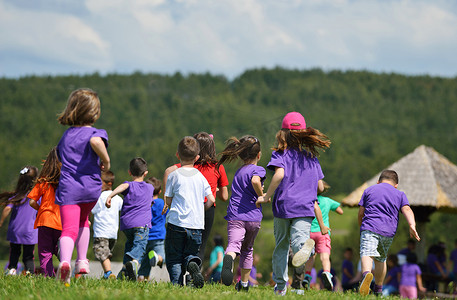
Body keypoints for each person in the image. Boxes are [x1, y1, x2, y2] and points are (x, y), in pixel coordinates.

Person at [257, 111, 330, 296]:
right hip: (305, 207)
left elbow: (279, 174)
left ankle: (281, 286)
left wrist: (266, 196)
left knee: (281, 245)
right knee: (299, 242)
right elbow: (320, 187)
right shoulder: (311, 157)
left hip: (283, 206)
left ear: (283, 133)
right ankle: (302, 252)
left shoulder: (281, 154)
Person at [55, 88, 110, 285]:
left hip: (69, 189)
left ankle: (64, 262)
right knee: (84, 221)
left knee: (68, 229)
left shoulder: (66, 136)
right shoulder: (97, 132)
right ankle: (82, 262)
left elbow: (60, 156)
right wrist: (106, 160)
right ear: (95, 112)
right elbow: (95, 141)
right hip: (91, 189)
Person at [163, 132, 229, 261]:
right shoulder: (218, 167)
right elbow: (224, 196)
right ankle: (194, 273)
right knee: (201, 245)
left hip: (186, 206)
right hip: (207, 208)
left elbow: (168, 171)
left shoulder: (189, 165)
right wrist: (214, 188)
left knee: (181, 245)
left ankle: (180, 272)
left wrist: (167, 199)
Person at [358, 169, 420, 296]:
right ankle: (378, 289)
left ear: (378, 181)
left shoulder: (369, 190)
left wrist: (362, 227)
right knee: (381, 259)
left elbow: (361, 213)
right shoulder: (400, 194)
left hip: (370, 227)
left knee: (367, 253)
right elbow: (407, 209)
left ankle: (366, 275)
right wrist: (412, 225)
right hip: (388, 232)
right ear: (396, 185)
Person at [164, 136, 215, 288]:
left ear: (177, 154)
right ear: (197, 158)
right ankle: (192, 262)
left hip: (176, 223)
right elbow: (211, 199)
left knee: (174, 257)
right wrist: (202, 209)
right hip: (196, 225)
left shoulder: (174, 175)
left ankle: (176, 285)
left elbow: (168, 199)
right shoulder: (201, 177)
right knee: (190, 254)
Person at [217, 135, 266, 292]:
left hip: (235, 216)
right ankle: (244, 284)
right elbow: (255, 181)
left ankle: (229, 258)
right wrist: (262, 196)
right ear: (259, 154)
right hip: (253, 217)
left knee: (233, 245)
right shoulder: (259, 169)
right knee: (247, 250)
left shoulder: (239, 172)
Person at [106, 157, 154, 281]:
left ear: (129, 172)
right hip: (142, 225)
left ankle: (123, 275)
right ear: (145, 173)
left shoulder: (128, 185)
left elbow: (122, 187)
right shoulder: (150, 188)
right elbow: (150, 202)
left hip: (128, 225)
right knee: (140, 247)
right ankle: (134, 263)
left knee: (130, 245)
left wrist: (111, 195)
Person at [302, 181, 343, 290]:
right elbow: (340, 211)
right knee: (324, 256)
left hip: (309, 232)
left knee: (310, 256)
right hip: (323, 232)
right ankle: (327, 273)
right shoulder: (327, 201)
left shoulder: (309, 200)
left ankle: (307, 275)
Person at [28, 147, 61, 277]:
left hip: (44, 220)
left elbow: (31, 202)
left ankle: (49, 276)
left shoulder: (43, 181)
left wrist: (41, 209)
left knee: (45, 251)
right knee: (60, 246)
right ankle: (64, 259)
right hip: (62, 220)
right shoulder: (66, 181)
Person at [0, 166, 38, 275]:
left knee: (14, 253)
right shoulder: (35, 196)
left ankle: (12, 270)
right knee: (28, 256)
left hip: (15, 230)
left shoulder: (17, 196)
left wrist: (1, 221)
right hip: (30, 230)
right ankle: (30, 273)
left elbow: (7, 208)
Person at [91, 170, 123, 279]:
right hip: (113, 233)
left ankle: (108, 273)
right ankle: (107, 274)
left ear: (108, 183)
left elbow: (92, 210)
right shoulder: (118, 199)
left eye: (99, 183)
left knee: (102, 254)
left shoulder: (98, 198)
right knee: (105, 254)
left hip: (101, 232)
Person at [138, 177, 166, 282]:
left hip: (145, 236)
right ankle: (157, 258)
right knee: (161, 257)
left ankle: (142, 279)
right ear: (159, 191)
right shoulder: (161, 203)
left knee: (145, 262)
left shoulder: (145, 203)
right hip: (158, 236)